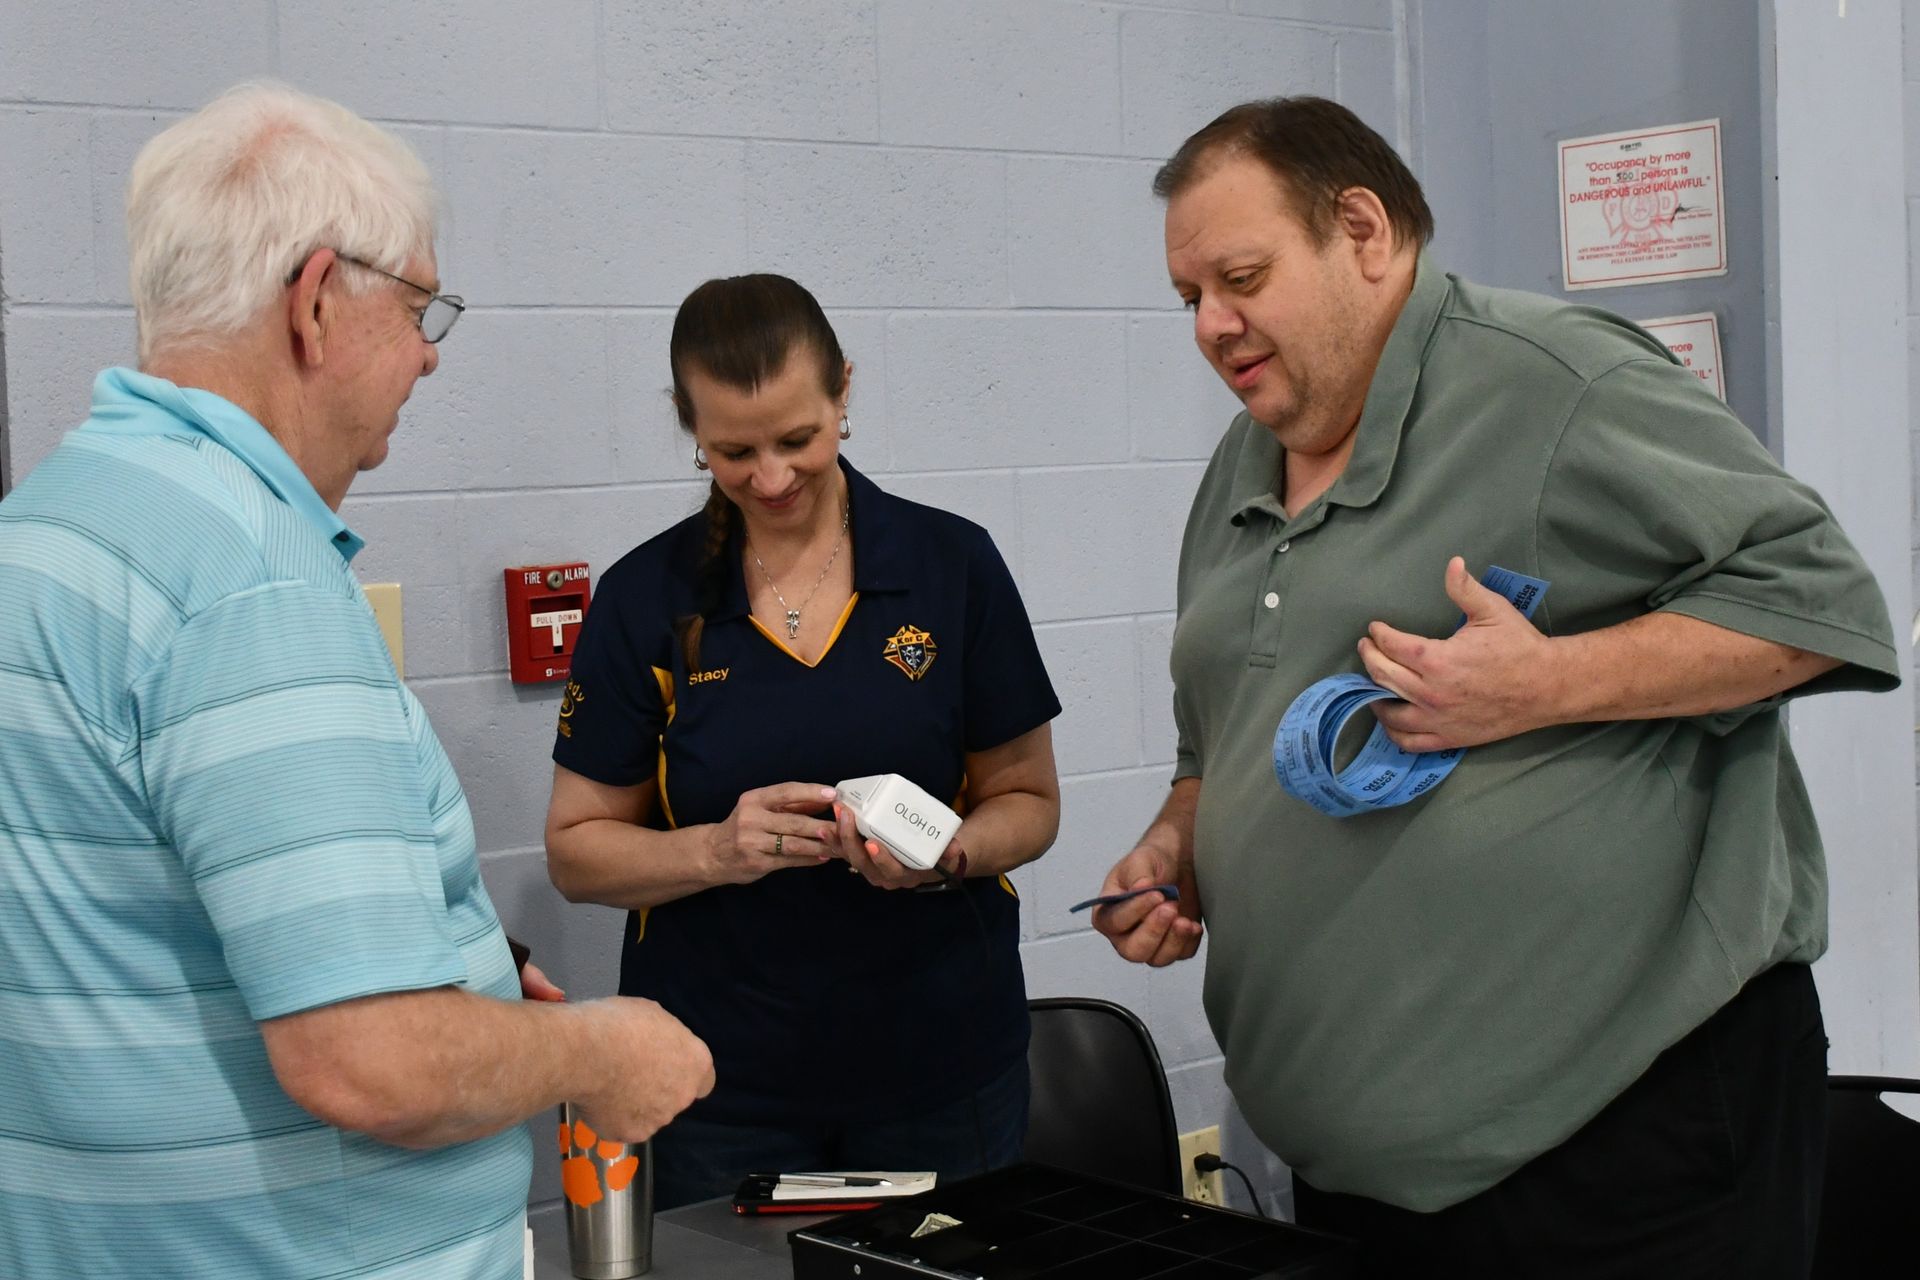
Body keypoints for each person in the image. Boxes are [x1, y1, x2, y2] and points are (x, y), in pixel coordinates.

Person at [1092, 96, 1898, 1277]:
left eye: (1242, 277)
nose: (1213, 324)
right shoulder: (1241, 463)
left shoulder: (1556, 380)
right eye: (1189, 298)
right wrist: (1180, 843)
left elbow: (1824, 601)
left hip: (1619, 1146)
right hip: (1361, 1175)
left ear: (1362, 231)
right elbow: (1215, 738)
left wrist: (1548, 680)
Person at [0, 83, 713, 1280]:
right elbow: (365, 1059)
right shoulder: (250, 579)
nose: (429, 354)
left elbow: (137, 923)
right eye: (420, 306)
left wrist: (453, 970)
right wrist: (600, 1051)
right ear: (317, 301)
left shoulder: (47, 526)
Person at [544, 273, 1062, 1209]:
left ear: (843, 391)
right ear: (689, 426)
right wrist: (716, 850)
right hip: (718, 1088)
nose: (772, 478)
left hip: (943, 1072)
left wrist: (947, 854)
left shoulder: (952, 567)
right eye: (733, 451)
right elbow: (576, 852)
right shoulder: (646, 598)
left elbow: (1029, 802)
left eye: (798, 440)